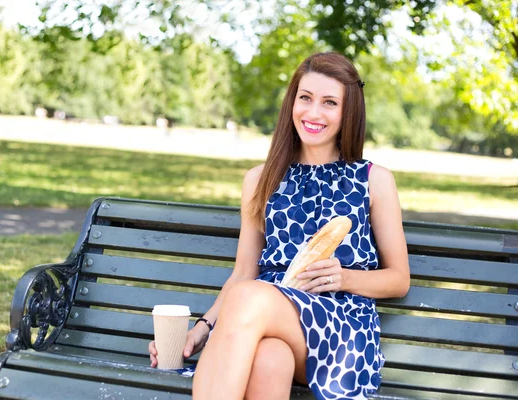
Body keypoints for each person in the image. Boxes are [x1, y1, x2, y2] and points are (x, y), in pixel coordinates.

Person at [148, 51, 410, 399]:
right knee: (269, 360)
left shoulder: (373, 180)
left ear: (348, 112)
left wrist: (344, 277)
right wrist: (200, 329)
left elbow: (399, 279)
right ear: (292, 102)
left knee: (249, 297)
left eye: (329, 102)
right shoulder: (260, 180)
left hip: (340, 327)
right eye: (305, 98)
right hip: (261, 315)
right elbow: (243, 274)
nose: (313, 112)